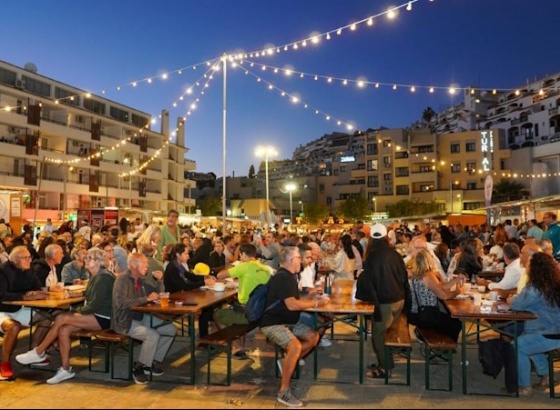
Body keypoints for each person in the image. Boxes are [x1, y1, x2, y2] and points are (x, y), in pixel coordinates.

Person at [15, 247, 115, 384]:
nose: (86, 260)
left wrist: (75, 309)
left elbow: (94, 306)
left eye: (90, 258)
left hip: (104, 317)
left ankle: (39, 351)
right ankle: (66, 369)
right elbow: (89, 295)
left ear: (99, 262)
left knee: (61, 317)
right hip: (96, 315)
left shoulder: (103, 278)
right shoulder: (96, 275)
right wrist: (77, 294)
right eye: (87, 257)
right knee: (63, 329)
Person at [260, 246, 330, 407]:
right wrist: (316, 302)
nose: (302, 260)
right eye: (299, 257)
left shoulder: (290, 276)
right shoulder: (283, 277)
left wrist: (309, 293)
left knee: (313, 337)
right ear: (292, 260)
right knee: (295, 346)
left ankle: (287, 363)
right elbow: (291, 305)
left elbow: (292, 297)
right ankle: (283, 392)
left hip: (288, 321)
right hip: (273, 323)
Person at [355, 223, 410, 380]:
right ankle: (384, 362)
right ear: (386, 236)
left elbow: (368, 281)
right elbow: (403, 276)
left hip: (385, 302)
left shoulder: (372, 256)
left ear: (371, 238)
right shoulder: (395, 254)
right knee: (386, 332)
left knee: (378, 335)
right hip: (399, 299)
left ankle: (384, 368)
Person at [112, 253, 177, 385]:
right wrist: (145, 299)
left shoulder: (141, 279)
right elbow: (120, 303)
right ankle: (138, 367)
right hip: (124, 320)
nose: (147, 266)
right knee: (152, 335)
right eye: (144, 263)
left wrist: (159, 281)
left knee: (170, 329)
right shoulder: (122, 279)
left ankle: (150, 361)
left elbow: (157, 295)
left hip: (140, 316)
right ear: (134, 265)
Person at [508, 252, 560, 397]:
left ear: (536, 267)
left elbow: (517, 305)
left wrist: (511, 300)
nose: (527, 265)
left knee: (517, 346)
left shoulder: (535, 287)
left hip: (549, 332)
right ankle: (546, 376)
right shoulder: (554, 283)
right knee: (528, 338)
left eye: (529, 263)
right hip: (553, 329)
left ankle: (524, 387)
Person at [0, 246, 50, 380]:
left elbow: (36, 287)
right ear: (16, 260)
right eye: (26, 258)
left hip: (19, 309)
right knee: (14, 327)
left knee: (46, 319)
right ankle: (5, 364)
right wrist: (24, 296)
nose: (29, 260)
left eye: (30, 257)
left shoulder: (29, 270)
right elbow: (1, 295)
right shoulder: (3, 271)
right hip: (2, 310)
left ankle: (33, 354)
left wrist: (38, 292)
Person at [215, 243, 271, 358]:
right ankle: (240, 344)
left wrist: (234, 266)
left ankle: (237, 346)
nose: (239, 258)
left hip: (248, 313)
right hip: (262, 311)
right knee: (233, 309)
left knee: (217, 314)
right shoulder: (266, 269)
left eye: (240, 255)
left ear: (244, 254)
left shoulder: (244, 266)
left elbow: (220, 275)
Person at [407, 249, 464, 345]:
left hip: (415, 314)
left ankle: (433, 340)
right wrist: (457, 292)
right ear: (429, 260)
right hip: (426, 316)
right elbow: (443, 296)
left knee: (449, 320)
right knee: (456, 324)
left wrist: (455, 280)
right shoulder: (428, 275)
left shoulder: (416, 274)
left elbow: (440, 286)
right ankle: (444, 347)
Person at [164, 243, 215, 337]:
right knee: (205, 308)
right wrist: (204, 282)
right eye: (185, 254)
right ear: (178, 255)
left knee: (208, 306)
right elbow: (185, 286)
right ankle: (204, 339)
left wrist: (204, 277)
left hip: (182, 296)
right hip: (174, 300)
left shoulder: (178, 265)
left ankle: (207, 336)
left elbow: (190, 276)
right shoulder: (172, 268)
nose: (188, 256)